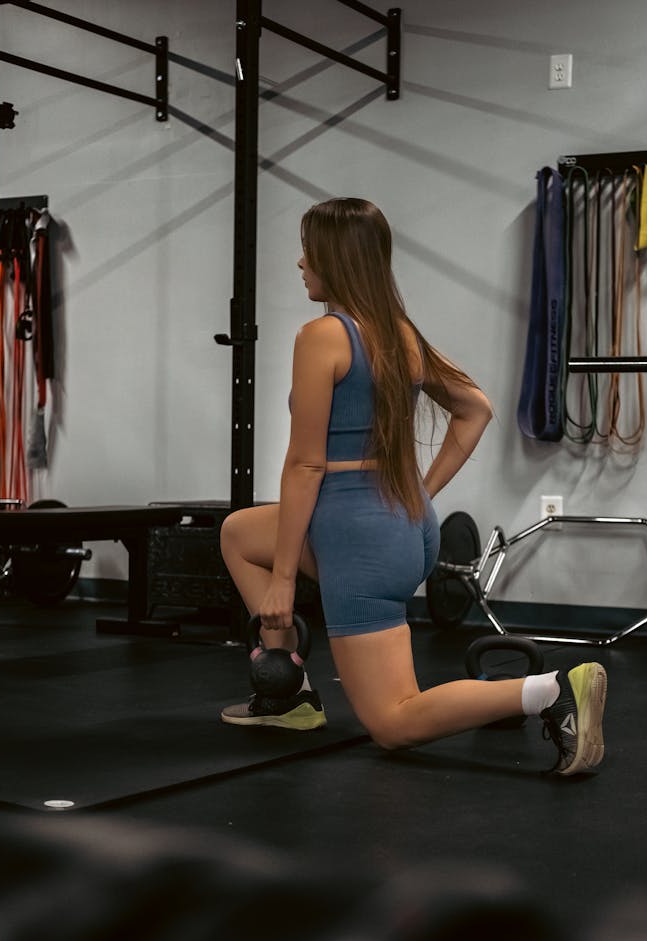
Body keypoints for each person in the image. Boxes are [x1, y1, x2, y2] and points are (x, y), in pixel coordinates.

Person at [220, 198, 606, 776]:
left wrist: (281, 582)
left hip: (356, 537)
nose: (300, 262)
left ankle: (549, 692)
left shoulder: (322, 335)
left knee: (394, 722)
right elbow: (474, 408)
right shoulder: (398, 334)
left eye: (309, 249)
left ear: (336, 257)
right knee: (238, 532)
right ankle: (290, 694)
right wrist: (418, 493)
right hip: (405, 526)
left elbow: (305, 465)